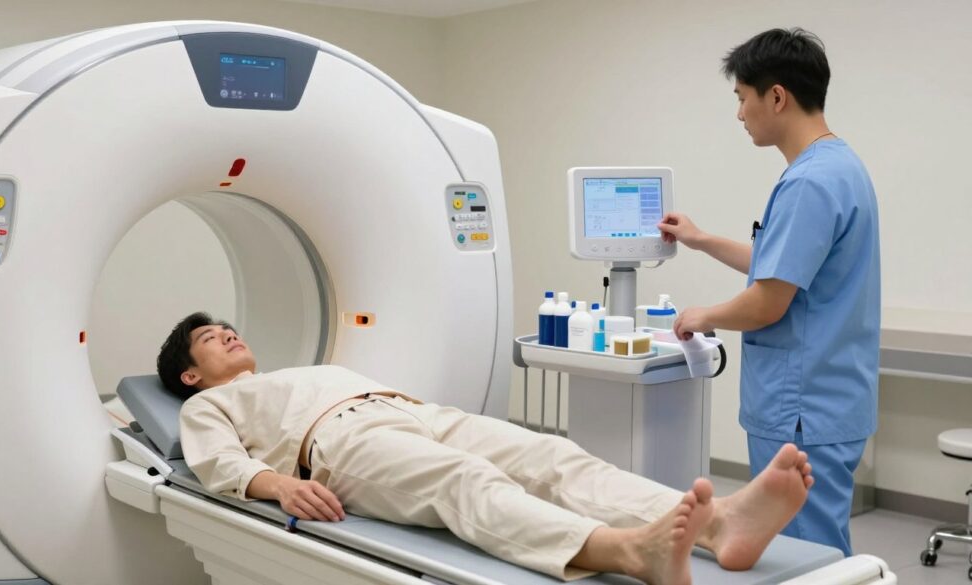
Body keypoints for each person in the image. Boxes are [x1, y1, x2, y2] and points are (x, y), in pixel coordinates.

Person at [159, 312, 815, 584]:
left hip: (414, 411)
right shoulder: (208, 405)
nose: (227, 333)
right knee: (464, 480)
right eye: (211, 338)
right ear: (189, 374)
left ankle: (721, 524)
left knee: (553, 454)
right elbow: (219, 462)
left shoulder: (306, 367)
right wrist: (276, 486)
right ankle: (626, 550)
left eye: (228, 326)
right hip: (337, 445)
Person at [657, 28, 880, 557]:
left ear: (775, 96)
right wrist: (700, 238)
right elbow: (782, 268)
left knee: (805, 555)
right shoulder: (840, 167)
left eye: (742, 98)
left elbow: (767, 301)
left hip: (801, 406)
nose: (739, 114)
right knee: (818, 544)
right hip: (831, 396)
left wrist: (700, 315)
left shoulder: (808, 183)